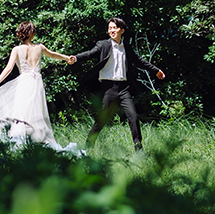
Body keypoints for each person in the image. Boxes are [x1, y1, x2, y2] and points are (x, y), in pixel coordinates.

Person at [0, 21, 82, 153]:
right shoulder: (39, 47)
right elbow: (53, 54)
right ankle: (36, 140)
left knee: (22, 112)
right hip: (36, 83)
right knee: (37, 112)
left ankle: (21, 141)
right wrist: (66, 58)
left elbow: (9, 68)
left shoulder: (17, 49)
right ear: (32, 33)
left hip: (24, 82)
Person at [70, 17, 166, 151]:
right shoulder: (103, 45)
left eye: (114, 28)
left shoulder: (126, 47)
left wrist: (156, 70)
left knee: (133, 116)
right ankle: (88, 147)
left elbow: (139, 61)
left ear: (122, 30)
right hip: (107, 88)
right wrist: (76, 58)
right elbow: (90, 54)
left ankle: (139, 150)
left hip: (123, 89)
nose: (111, 31)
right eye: (109, 28)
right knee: (101, 120)